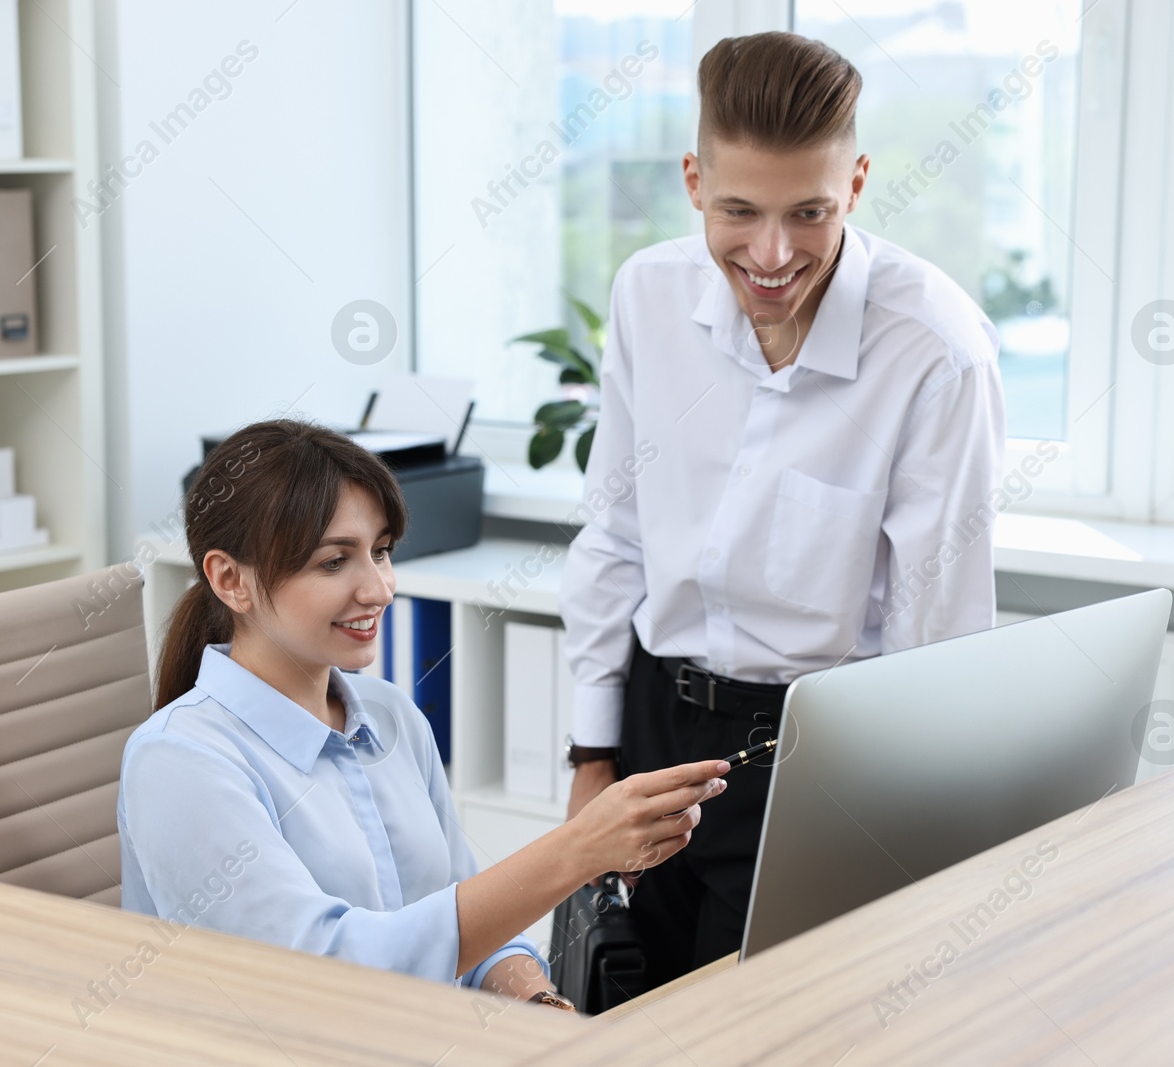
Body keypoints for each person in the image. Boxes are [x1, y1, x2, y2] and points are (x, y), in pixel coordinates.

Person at [558, 31, 1007, 988]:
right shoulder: (648, 295)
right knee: (620, 1003)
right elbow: (616, 532)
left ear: (856, 183)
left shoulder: (935, 348)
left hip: (811, 752)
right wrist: (591, 756)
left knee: (755, 1025)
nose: (771, 255)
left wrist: (915, 839)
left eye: (808, 212)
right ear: (691, 181)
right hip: (652, 723)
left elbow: (939, 627)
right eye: (739, 211)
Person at [119, 419, 731, 1009]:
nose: (380, 589)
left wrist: (537, 1003)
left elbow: (471, 920)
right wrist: (576, 851)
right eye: (335, 562)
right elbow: (319, 977)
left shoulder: (390, 716)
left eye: (380, 552)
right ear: (231, 580)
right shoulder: (180, 762)